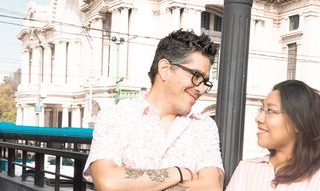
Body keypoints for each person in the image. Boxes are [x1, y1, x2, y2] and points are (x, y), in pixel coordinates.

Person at [84, 29, 224, 191]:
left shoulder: (204, 126)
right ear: (165, 69)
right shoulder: (116, 116)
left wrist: (134, 183)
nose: (200, 88)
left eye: (205, 82)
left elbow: (211, 187)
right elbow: (108, 182)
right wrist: (179, 172)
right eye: (196, 76)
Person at [226, 80, 320, 191]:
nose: (258, 118)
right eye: (262, 109)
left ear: (298, 122)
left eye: (271, 111)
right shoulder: (246, 169)